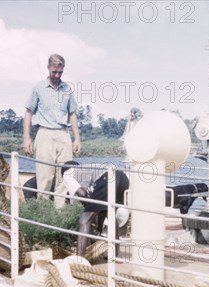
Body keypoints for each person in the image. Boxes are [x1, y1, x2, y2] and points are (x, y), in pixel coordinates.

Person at [23, 54, 81, 208]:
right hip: (44, 134)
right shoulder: (39, 88)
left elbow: (72, 114)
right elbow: (28, 112)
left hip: (63, 134)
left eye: (60, 72)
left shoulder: (67, 89)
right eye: (54, 72)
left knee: (65, 177)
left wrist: (77, 138)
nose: (57, 75)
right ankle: (44, 213)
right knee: (45, 177)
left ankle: (59, 213)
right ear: (48, 68)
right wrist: (27, 138)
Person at [61, 161, 130, 257]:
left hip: (107, 178)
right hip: (122, 178)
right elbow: (101, 210)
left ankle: (79, 260)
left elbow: (83, 194)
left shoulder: (67, 174)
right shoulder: (87, 170)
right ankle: (117, 254)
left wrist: (87, 210)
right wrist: (99, 229)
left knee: (84, 221)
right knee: (109, 214)